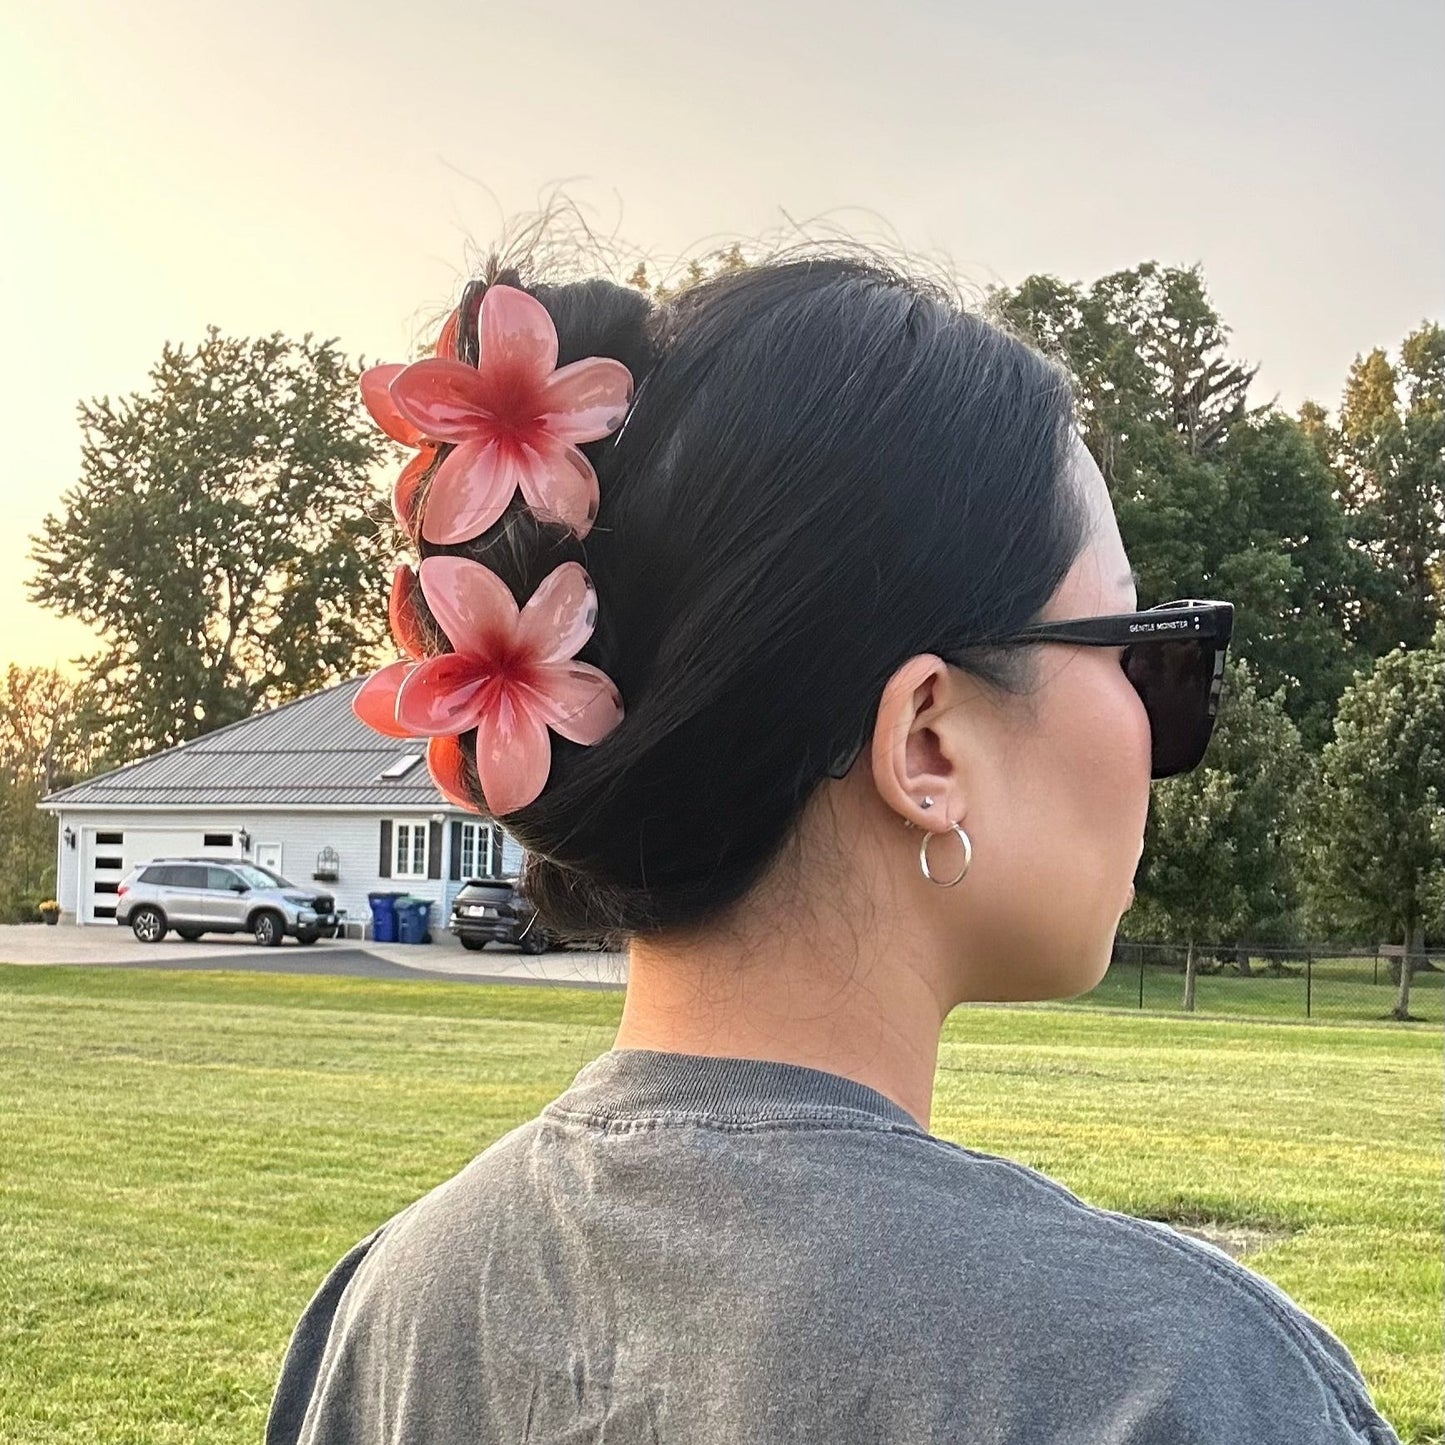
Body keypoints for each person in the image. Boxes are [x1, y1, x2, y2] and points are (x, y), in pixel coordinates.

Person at [265, 252, 1400, 1443]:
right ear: (926, 743)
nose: (1160, 725)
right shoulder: (1172, 1381)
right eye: (1141, 648)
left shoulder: (389, 1313)